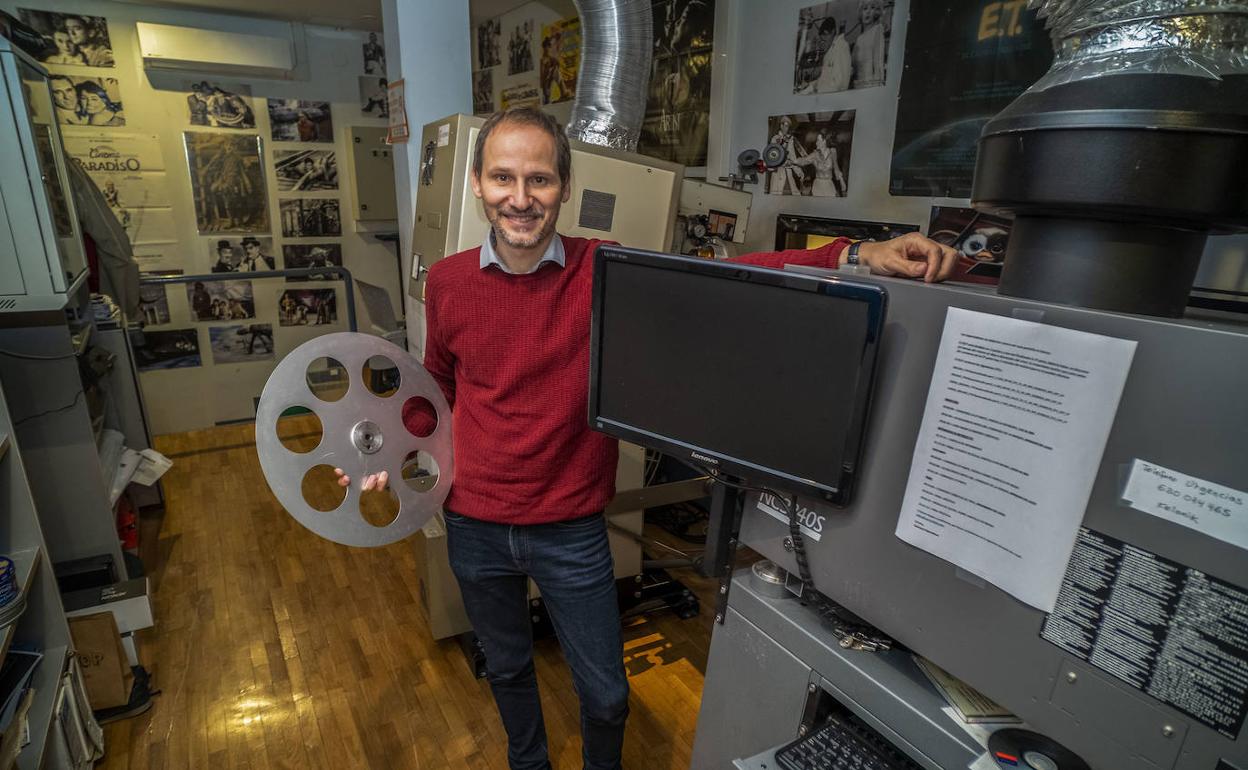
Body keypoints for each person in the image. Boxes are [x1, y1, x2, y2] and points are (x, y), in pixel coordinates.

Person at [335, 107, 957, 770]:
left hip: (569, 528)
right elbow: (436, 394)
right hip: (474, 523)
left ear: (565, 188)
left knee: (605, 697)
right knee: (509, 669)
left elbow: (722, 276)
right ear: (478, 186)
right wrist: (387, 455)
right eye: (503, 178)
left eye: (539, 180)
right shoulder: (451, 281)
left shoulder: (604, 271)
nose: (520, 198)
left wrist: (852, 253)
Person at [791, 129, 847, 197]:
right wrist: (793, 161)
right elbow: (804, 161)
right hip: (818, 185)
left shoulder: (832, 152)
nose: (816, 143)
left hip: (829, 185)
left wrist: (842, 182)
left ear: (824, 141)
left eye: (818, 140)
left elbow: (836, 169)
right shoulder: (815, 154)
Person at [851, 0, 887, 88]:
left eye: (872, 8)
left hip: (871, 86)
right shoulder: (859, 38)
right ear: (861, 12)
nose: (868, 12)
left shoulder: (878, 30)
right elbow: (853, 67)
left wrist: (877, 89)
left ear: (876, 12)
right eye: (865, 8)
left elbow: (878, 64)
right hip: (858, 86)